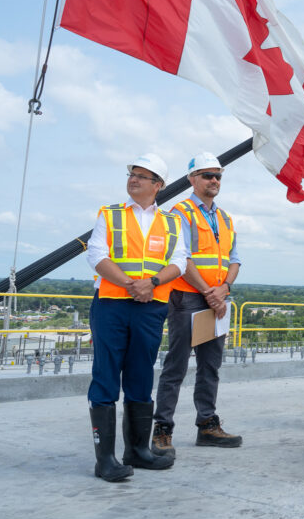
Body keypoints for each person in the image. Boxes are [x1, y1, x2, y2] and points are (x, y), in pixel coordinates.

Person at [85, 154, 185, 482]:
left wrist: (152, 283)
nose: (135, 180)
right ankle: (105, 461)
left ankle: (138, 452)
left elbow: (179, 262)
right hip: (112, 305)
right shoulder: (110, 214)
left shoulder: (171, 222)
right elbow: (97, 255)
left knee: (141, 377)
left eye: (143, 176)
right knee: (106, 377)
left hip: (151, 307)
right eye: (133, 174)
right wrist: (130, 284)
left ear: (158, 186)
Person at [152, 152, 241, 459]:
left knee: (210, 367)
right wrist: (209, 292)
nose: (214, 180)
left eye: (217, 176)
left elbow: (235, 258)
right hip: (187, 298)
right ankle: (162, 430)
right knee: (175, 367)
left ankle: (207, 424)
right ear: (192, 179)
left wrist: (224, 289)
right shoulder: (181, 212)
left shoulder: (225, 218)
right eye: (207, 175)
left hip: (217, 299)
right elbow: (181, 259)